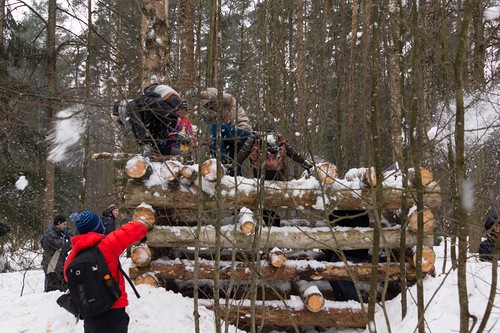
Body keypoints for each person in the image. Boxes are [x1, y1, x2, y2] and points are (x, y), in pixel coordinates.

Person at [64, 210, 151, 333]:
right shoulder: (108, 244)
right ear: (98, 227)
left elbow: (68, 278)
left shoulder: (73, 256)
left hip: (90, 315)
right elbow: (137, 228)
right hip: (114, 307)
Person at [233, 118, 313, 226]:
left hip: (261, 173)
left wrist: (234, 165)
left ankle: (273, 223)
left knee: (263, 201)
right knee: (273, 199)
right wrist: (306, 164)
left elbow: (244, 152)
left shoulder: (255, 138)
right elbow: (292, 153)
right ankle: (274, 224)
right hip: (278, 174)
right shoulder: (279, 139)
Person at [114, 83, 191, 156]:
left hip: (164, 109)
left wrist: (143, 141)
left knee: (149, 142)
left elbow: (136, 121)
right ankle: (178, 153)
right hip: (170, 117)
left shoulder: (135, 103)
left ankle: (146, 144)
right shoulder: (148, 105)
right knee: (155, 144)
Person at [198, 87, 253, 175]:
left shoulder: (227, 100)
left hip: (243, 132)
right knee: (234, 165)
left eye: (211, 103)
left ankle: (220, 161)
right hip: (235, 138)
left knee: (216, 127)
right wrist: (210, 143)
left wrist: (198, 94)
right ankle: (236, 182)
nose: (211, 106)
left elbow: (216, 96)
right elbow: (219, 137)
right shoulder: (221, 114)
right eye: (208, 105)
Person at [325, 210, 370, 302]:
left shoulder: (358, 209)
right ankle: (342, 303)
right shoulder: (341, 208)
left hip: (356, 250)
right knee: (332, 275)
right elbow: (332, 217)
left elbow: (358, 225)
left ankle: (362, 305)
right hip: (342, 250)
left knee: (344, 278)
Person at [41, 215, 72, 292]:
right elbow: (62, 247)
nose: (65, 226)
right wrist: (73, 240)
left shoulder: (58, 232)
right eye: (64, 224)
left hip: (58, 265)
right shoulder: (51, 234)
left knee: (61, 289)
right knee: (53, 291)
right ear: (58, 224)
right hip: (52, 266)